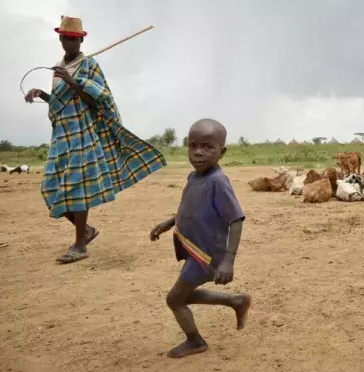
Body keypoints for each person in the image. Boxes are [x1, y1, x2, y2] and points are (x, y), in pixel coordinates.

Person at [24, 16, 166, 264]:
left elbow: (98, 100)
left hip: (83, 133)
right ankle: (87, 231)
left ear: (81, 40)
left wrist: (75, 82)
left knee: (78, 187)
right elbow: (61, 103)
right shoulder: (57, 68)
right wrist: (42, 94)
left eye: (75, 39)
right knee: (49, 187)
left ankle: (80, 245)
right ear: (60, 38)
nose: (70, 42)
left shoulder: (88, 65)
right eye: (66, 38)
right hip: (62, 136)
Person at [150, 118, 251, 358]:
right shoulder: (193, 177)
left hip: (207, 254)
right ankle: (236, 301)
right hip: (194, 248)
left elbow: (236, 220)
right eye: (193, 145)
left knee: (174, 299)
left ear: (222, 152)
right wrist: (168, 222)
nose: (198, 153)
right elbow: (190, 208)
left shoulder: (217, 182)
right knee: (184, 294)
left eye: (207, 147)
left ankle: (195, 341)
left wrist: (228, 261)